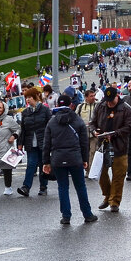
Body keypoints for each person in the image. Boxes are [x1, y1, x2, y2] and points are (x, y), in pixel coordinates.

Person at [42, 92, 97, 226]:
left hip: (58, 158)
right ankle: (87, 214)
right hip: (75, 158)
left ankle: (66, 216)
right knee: (80, 186)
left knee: (62, 187)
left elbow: (46, 144)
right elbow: (84, 143)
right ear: (71, 105)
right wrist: (85, 159)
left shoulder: (52, 121)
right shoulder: (77, 120)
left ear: (57, 105)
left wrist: (46, 162)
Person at [89, 86, 131, 212]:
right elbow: (92, 122)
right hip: (102, 146)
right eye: (107, 100)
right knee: (101, 173)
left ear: (117, 96)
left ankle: (115, 201)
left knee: (118, 175)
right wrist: (94, 131)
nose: (108, 103)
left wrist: (114, 133)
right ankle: (107, 196)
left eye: (111, 100)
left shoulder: (126, 109)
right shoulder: (101, 106)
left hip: (119, 146)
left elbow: (129, 127)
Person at [15, 88, 51, 196]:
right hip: (30, 143)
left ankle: (43, 187)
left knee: (43, 165)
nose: (28, 100)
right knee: (31, 165)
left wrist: (51, 142)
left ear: (36, 96)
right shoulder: (25, 112)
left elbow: (50, 127)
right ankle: (26, 187)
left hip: (43, 143)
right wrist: (20, 144)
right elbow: (23, 129)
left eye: (29, 97)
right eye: (26, 98)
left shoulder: (45, 110)